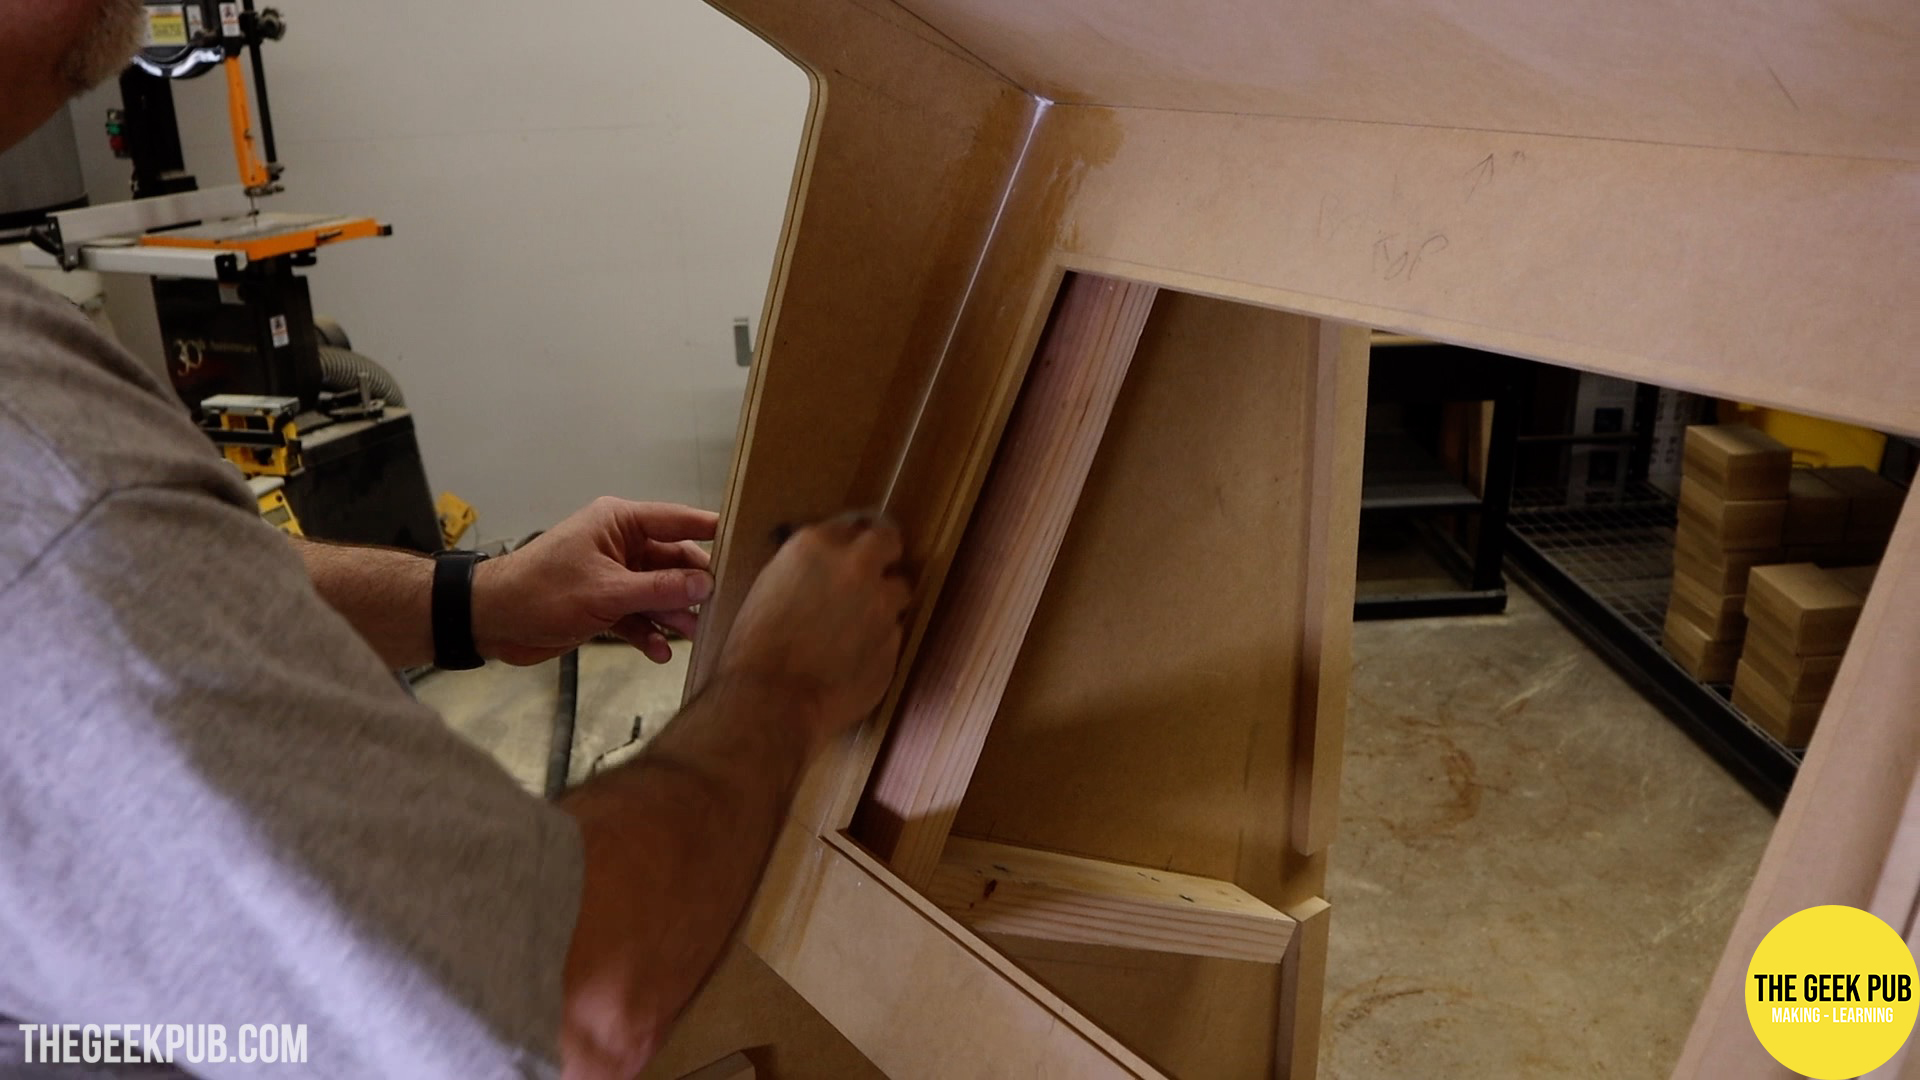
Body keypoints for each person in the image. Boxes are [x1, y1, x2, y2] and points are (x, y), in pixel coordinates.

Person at [0, 2, 912, 1076]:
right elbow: (559, 1005)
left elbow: (163, 589)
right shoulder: (44, 467)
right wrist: (785, 686)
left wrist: (472, 600)